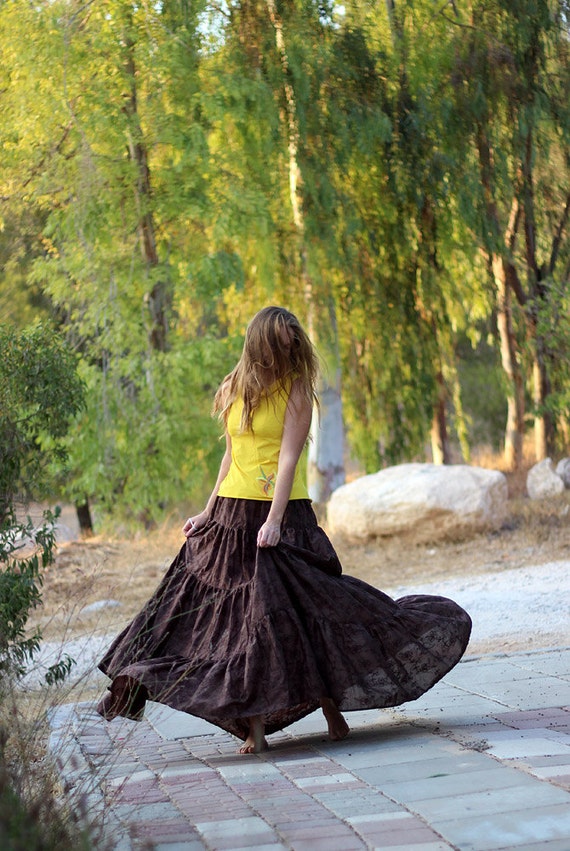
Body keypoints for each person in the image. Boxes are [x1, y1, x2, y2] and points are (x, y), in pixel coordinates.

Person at [97, 306, 471, 754]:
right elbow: (231, 456)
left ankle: (332, 711)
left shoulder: (297, 389)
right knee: (236, 626)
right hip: (231, 516)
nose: (287, 353)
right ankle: (252, 727)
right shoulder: (234, 386)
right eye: (279, 346)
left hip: (280, 515)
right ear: (260, 346)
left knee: (302, 613)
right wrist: (206, 511)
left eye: (293, 346)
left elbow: (288, 459)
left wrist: (274, 521)